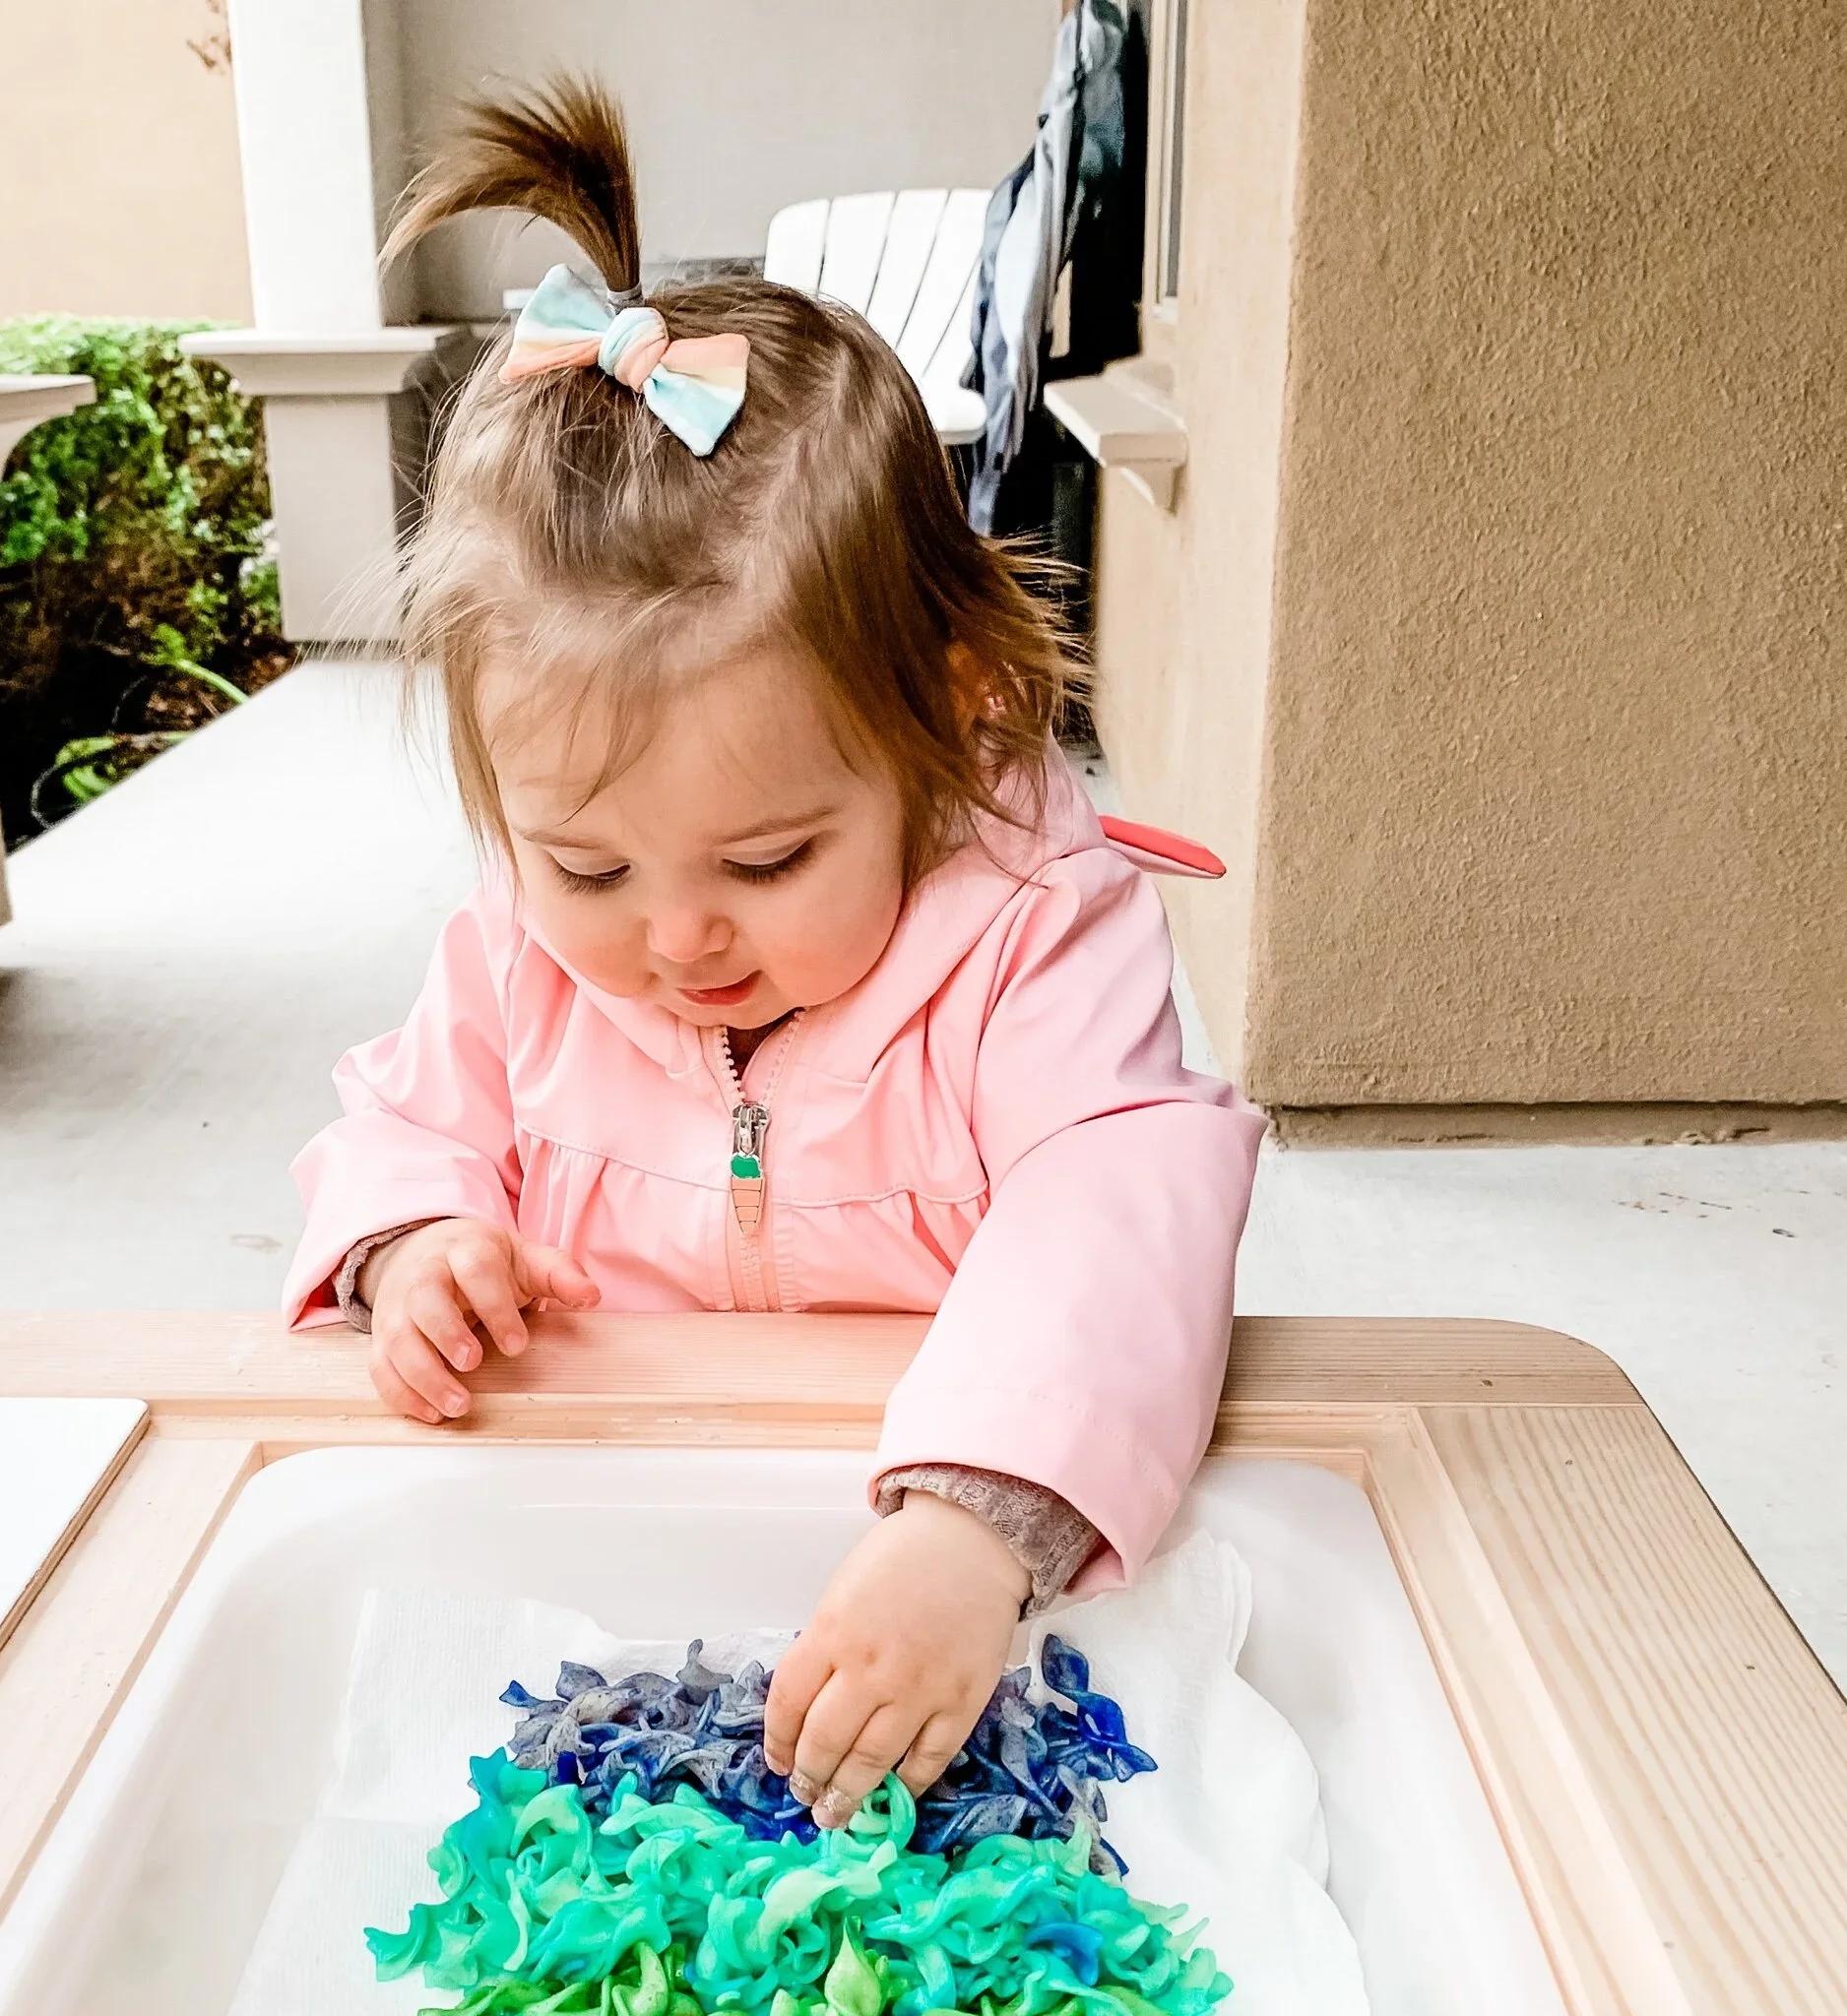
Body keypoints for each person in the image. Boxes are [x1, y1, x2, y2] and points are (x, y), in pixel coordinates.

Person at [283, 79, 1261, 1834]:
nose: (672, 939)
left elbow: (1121, 1206)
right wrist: (407, 1241)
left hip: (950, 1580)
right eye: (586, 861)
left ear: (947, 730)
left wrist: (980, 1519)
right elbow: (399, 1117)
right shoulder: (524, 951)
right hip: (618, 1578)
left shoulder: (1035, 936)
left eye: (767, 858)